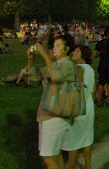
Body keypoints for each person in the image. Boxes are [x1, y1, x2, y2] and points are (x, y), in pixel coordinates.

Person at [35, 34, 76, 169]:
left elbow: (56, 76)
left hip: (55, 115)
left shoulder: (68, 64)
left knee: (48, 157)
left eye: (58, 46)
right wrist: (31, 59)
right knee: (54, 154)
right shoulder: (56, 64)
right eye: (53, 46)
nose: (54, 48)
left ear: (67, 49)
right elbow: (35, 77)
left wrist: (45, 56)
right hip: (48, 113)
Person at [62, 45, 95, 169]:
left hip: (78, 107)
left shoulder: (78, 68)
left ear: (82, 55)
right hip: (89, 106)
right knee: (87, 138)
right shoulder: (90, 69)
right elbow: (93, 90)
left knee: (73, 143)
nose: (73, 52)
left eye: (77, 51)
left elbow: (77, 88)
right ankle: (88, 166)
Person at [94, 26, 109, 107]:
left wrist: (102, 53)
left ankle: (99, 102)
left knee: (101, 83)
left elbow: (95, 54)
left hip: (102, 64)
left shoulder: (99, 42)